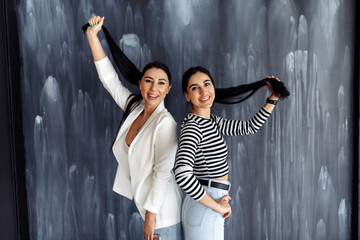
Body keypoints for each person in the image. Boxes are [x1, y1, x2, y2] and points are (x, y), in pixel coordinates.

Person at [85, 16, 183, 240]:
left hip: (163, 212)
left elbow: (163, 173)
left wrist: (151, 217)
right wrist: (92, 36)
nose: (153, 88)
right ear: (140, 84)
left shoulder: (165, 123)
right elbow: (109, 80)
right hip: (149, 209)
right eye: (148, 80)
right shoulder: (135, 108)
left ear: (168, 89)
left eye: (161, 83)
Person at [174, 66, 289, 240]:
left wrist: (273, 97)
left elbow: (250, 126)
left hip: (208, 203)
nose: (203, 91)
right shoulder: (193, 127)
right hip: (206, 204)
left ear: (213, 87)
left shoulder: (211, 121)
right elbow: (182, 174)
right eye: (195, 87)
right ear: (187, 95)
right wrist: (216, 206)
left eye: (207, 84)